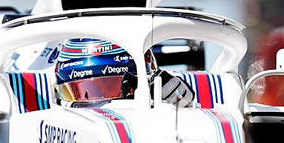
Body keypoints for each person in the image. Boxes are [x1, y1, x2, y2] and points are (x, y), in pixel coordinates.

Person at [54, 38, 194, 107]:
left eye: (110, 87)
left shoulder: (167, 94)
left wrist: (181, 108)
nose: (101, 104)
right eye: (85, 91)